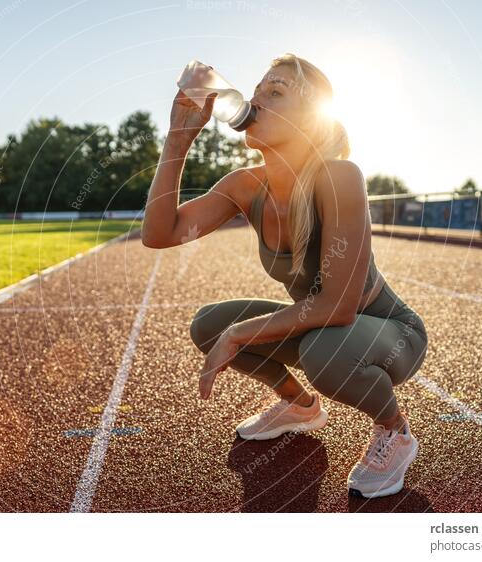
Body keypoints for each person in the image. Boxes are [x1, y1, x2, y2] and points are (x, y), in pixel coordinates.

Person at [141, 53, 429, 499]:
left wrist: (241, 335)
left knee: (319, 347)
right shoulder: (244, 185)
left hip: (393, 335)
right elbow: (160, 234)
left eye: (275, 93)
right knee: (208, 325)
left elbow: (338, 305)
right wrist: (178, 140)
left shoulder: (339, 177)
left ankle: (394, 430)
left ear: (310, 122)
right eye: (257, 92)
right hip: (324, 329)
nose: (255, 101)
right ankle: (299, 405)